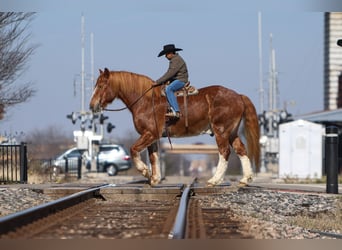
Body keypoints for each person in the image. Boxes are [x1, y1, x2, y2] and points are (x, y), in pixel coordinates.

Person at [154, 44, 189, 118]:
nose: (165, 56)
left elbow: (170, 73)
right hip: (178, 79)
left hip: (181, 80)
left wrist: (157, 82)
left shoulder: (176, 60)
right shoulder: (175, 59)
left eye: (166, 54)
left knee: (169, 89)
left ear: (170, 53)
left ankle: (176, 111)